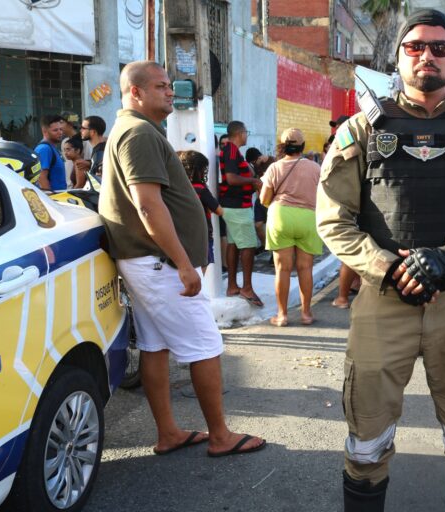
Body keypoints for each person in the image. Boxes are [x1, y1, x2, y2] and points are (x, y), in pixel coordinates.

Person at [316, 9, 445, 511]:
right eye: (415, 47)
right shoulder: (363, 129)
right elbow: (333, 220)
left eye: (439, 47)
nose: (427, 56)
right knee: (366, 442)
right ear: (398, 59)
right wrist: (388, 267)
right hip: (382, 301)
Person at [99, 60, 265, 459]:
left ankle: (169, 433)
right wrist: (184, 263)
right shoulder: (137, 133)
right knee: (206, 345)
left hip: (150, 262)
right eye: (161, 86)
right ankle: (221, 436)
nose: (170, 92)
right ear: (135, 92)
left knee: (156, 346)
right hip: (159, 263)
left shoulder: (136, 130)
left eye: (171, 86)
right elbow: (148, 205)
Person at [259, 128, 323, 326]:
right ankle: (306, 314)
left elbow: (263, 199)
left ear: (283, 145)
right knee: (305, 268)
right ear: (302, 147)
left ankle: (282, 315)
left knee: (282, 269)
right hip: (308, 217)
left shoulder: (274, 168)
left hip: (281, 216)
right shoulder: (315, 168)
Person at [219, 120, 263, 306]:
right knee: (248, 246)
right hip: (237, 207)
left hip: (235, 205)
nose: (247, 135)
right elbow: (230, 178)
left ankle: (232, 286)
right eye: (246, 132)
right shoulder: (230, 150)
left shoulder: (233, 151)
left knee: (234, 244)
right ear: (240, 133)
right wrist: (254, 180)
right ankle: (246, 288)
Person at [178, 149, 223, 269]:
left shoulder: (177, 187)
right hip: (202, 236)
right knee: (201, 270)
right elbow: (219, 210)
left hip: (182, 236)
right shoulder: (200, 188)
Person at [34, 114, 67, 192]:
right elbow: (41, 178)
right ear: (44, 131)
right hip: (53, 199)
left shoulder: (52, 148)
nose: (60, 132)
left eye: (61, 129)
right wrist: (50, 200)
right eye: (55, 130)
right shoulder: (44, 149)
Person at [81, 115, 107, 180]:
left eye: (83, 128)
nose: (80, 131)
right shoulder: (100, 148)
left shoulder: (100, 151)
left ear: (93, 132)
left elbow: (97, 178)